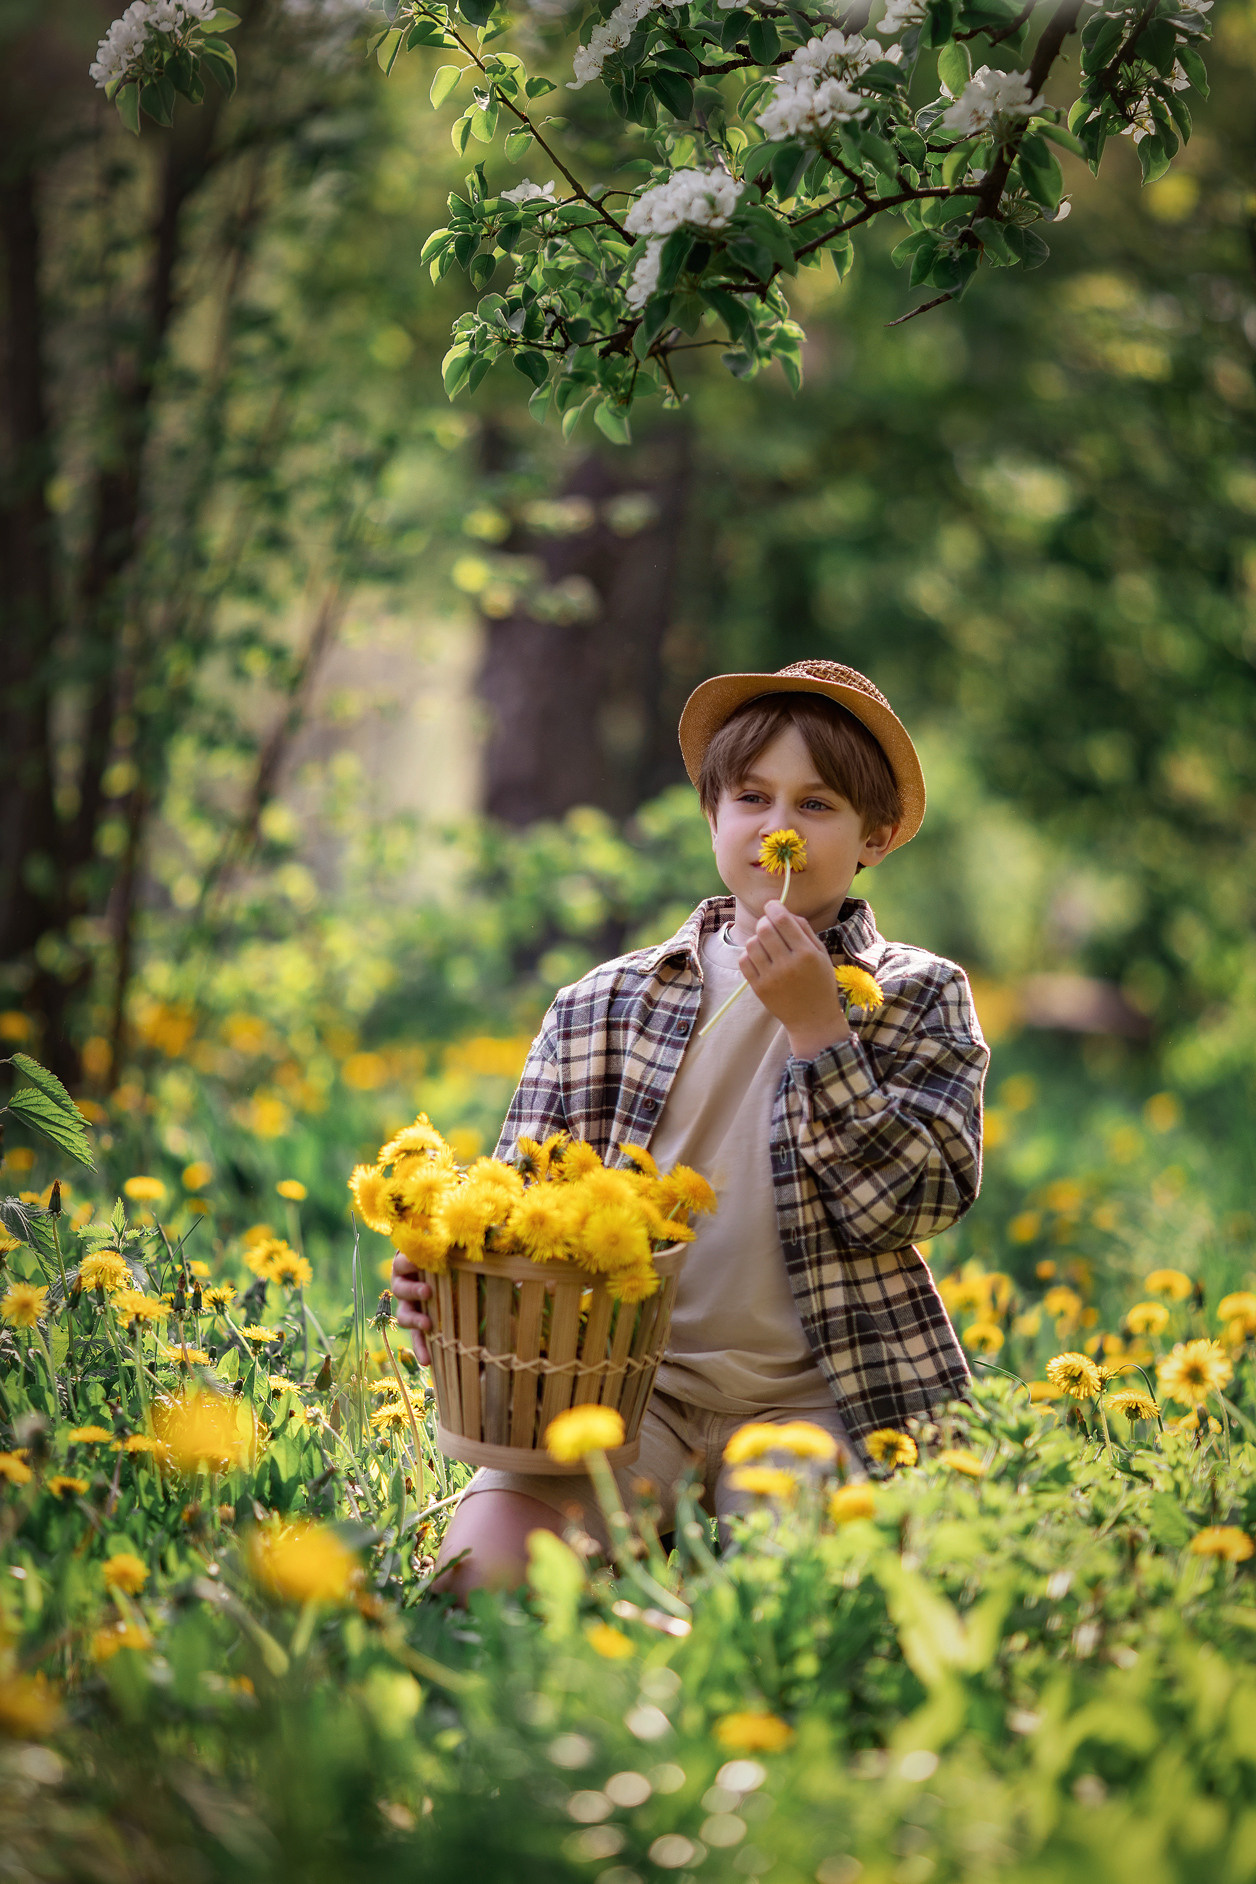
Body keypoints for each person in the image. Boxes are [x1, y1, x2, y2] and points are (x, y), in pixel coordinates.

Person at [391, 659, 989, 1596]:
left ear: (874, 836)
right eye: (753, 796)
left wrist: (818, 1028)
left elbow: (911, 1204)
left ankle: (713, 1539)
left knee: (789, 1603)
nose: (779, 828)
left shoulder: (918, 995)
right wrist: (457, 1268)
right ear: (712, 814)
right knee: (486, 1578)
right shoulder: (603, 1003)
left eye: (818, 804)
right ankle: (640, 1523)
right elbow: (521, 1206)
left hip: (817, 1397)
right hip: (623, 1391)